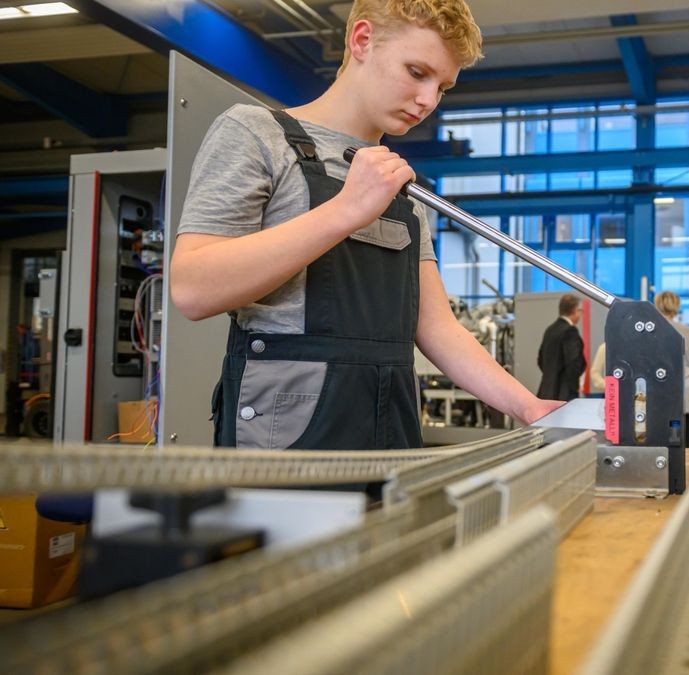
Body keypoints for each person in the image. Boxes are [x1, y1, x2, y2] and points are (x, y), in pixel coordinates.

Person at [171, 0, 562, 450]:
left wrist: (526, 406)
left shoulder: (401, 186)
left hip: (390, 426)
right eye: (417, 72)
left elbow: (437, 327)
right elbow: (193, 289)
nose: (428, 100)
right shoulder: (257, 135)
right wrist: (345, 210)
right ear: (362, 40)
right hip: (283, 435)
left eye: (443, 87)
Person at [654, 291, 689, 446]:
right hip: (684, 386)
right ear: (676, 306)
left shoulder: (653, 329)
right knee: (683, 438)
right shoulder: (685, 331)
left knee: (661, 435)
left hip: (659, 388)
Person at [537, 294, 586, 402]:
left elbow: (540, 360)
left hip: (545, 392)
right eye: (580, 311)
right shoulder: (570, 331)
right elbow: (573, 363)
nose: (580, 314)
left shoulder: (550, 330)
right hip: (564, 395)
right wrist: (573, 387)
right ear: (574, 310)